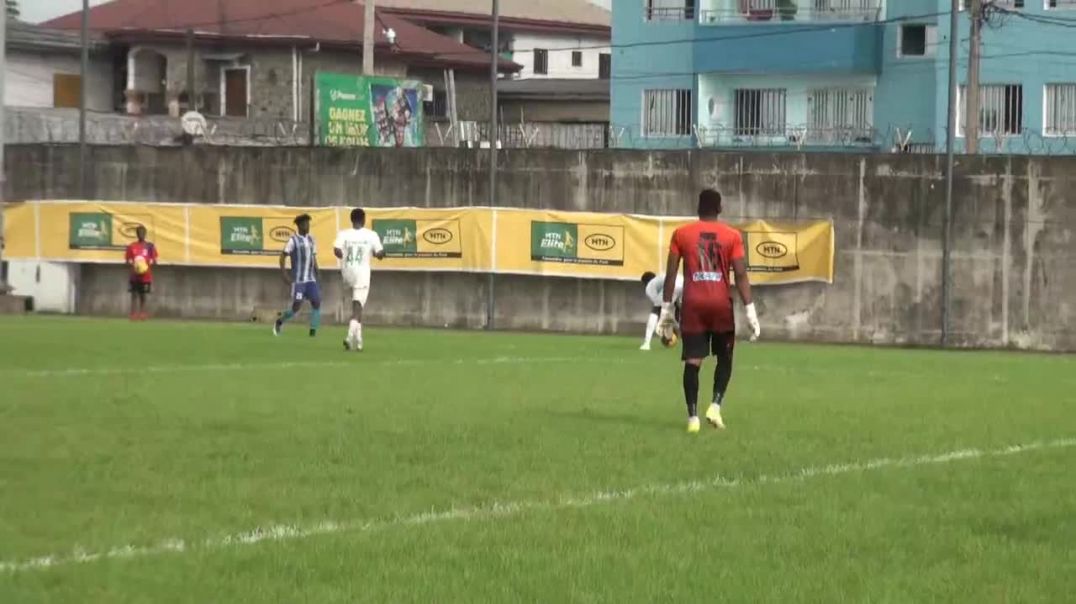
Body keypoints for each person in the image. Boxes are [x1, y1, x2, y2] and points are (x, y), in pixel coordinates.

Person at [658, 189, 761, 434]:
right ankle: (715, 406)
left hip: (693, 306)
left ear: (698, 208)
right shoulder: (732, 236)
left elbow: (671, 273)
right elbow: (741, 275)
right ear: (720, 208)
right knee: (725, 357)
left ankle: (692, 418)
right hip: (720, 305)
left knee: (693, 362)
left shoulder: (681, 234)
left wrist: (665, 310)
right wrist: (751, 312)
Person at [333, 208, 385, 351]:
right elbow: (379, 253)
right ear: (364, 220)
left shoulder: (344, 233)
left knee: (357, 304)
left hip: (347, 273)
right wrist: (380, 253)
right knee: (357, 307)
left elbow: (336, 250)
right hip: (362, 274)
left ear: (351, 220)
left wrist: (342, 255)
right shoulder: (371, 235)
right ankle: (349, 337)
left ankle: (359, 341)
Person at [274, 214, 321, 337]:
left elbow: (313, 256)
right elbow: (283, 256)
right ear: (299, 225)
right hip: (299, 280)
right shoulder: (293, 240)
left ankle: (313, 331)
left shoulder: (312, 239)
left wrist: (317, 269)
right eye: (305, 224)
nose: (308, 226)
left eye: (308, 223)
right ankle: (280, 321)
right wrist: (284, 274)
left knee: (316, 302)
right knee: (296, 306)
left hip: (310, 279)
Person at [639, 270, 683, 351]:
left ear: (645, 283)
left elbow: (658, 308)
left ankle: (647, 343)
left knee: (654, 311)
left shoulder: (649, 286)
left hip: (672, 284)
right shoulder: (661, 277)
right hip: (683, 282)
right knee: (684, 310)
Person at [124, 225, 158, 321]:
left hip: (145, 276)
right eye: (139, 233)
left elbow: (154, 260)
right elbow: (127, 260)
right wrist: (133, 264)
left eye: (142, 233)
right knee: (134, 294)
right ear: (137, 234)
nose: (141, 235)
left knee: (143, 295)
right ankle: (133, 314)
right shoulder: (132, 246)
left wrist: (148, 264)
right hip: (134, 275)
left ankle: (143, 313)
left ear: (145, 234)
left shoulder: (150, 247)